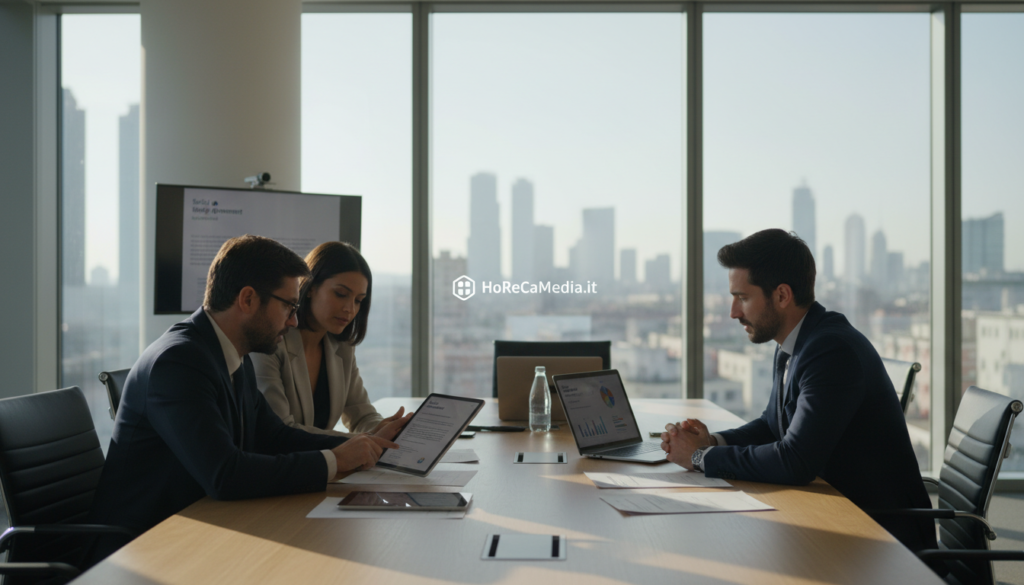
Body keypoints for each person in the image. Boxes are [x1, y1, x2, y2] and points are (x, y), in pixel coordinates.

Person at [88, 235, 411, 562]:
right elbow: (225, 475)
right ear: (247, 299)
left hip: (201, 530)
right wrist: (335, 461)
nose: (294, 321)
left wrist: (358, 448)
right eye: (288, 305)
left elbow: (274, 435)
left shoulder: (229, 354)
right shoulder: (179, 362)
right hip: (142, 551)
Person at [661, 228, 936, 553]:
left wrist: (698, 457)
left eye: (743, 297)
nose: (734, 312)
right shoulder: (797, 343)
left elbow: (795, 460)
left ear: (781, 295)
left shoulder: (831, 350)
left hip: (879, 540)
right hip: (835, 519)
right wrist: (712, 442)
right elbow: (771, 425)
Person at [252, 241, 403, 436]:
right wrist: (364, 440)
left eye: (358, 301)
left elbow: (361, 415)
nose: (350, 309)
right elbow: (281, 430)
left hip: (323, 464)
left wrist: (386, 429)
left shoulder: (342, 347)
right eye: (341, 294)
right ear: (311, 287)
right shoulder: (270, 343)